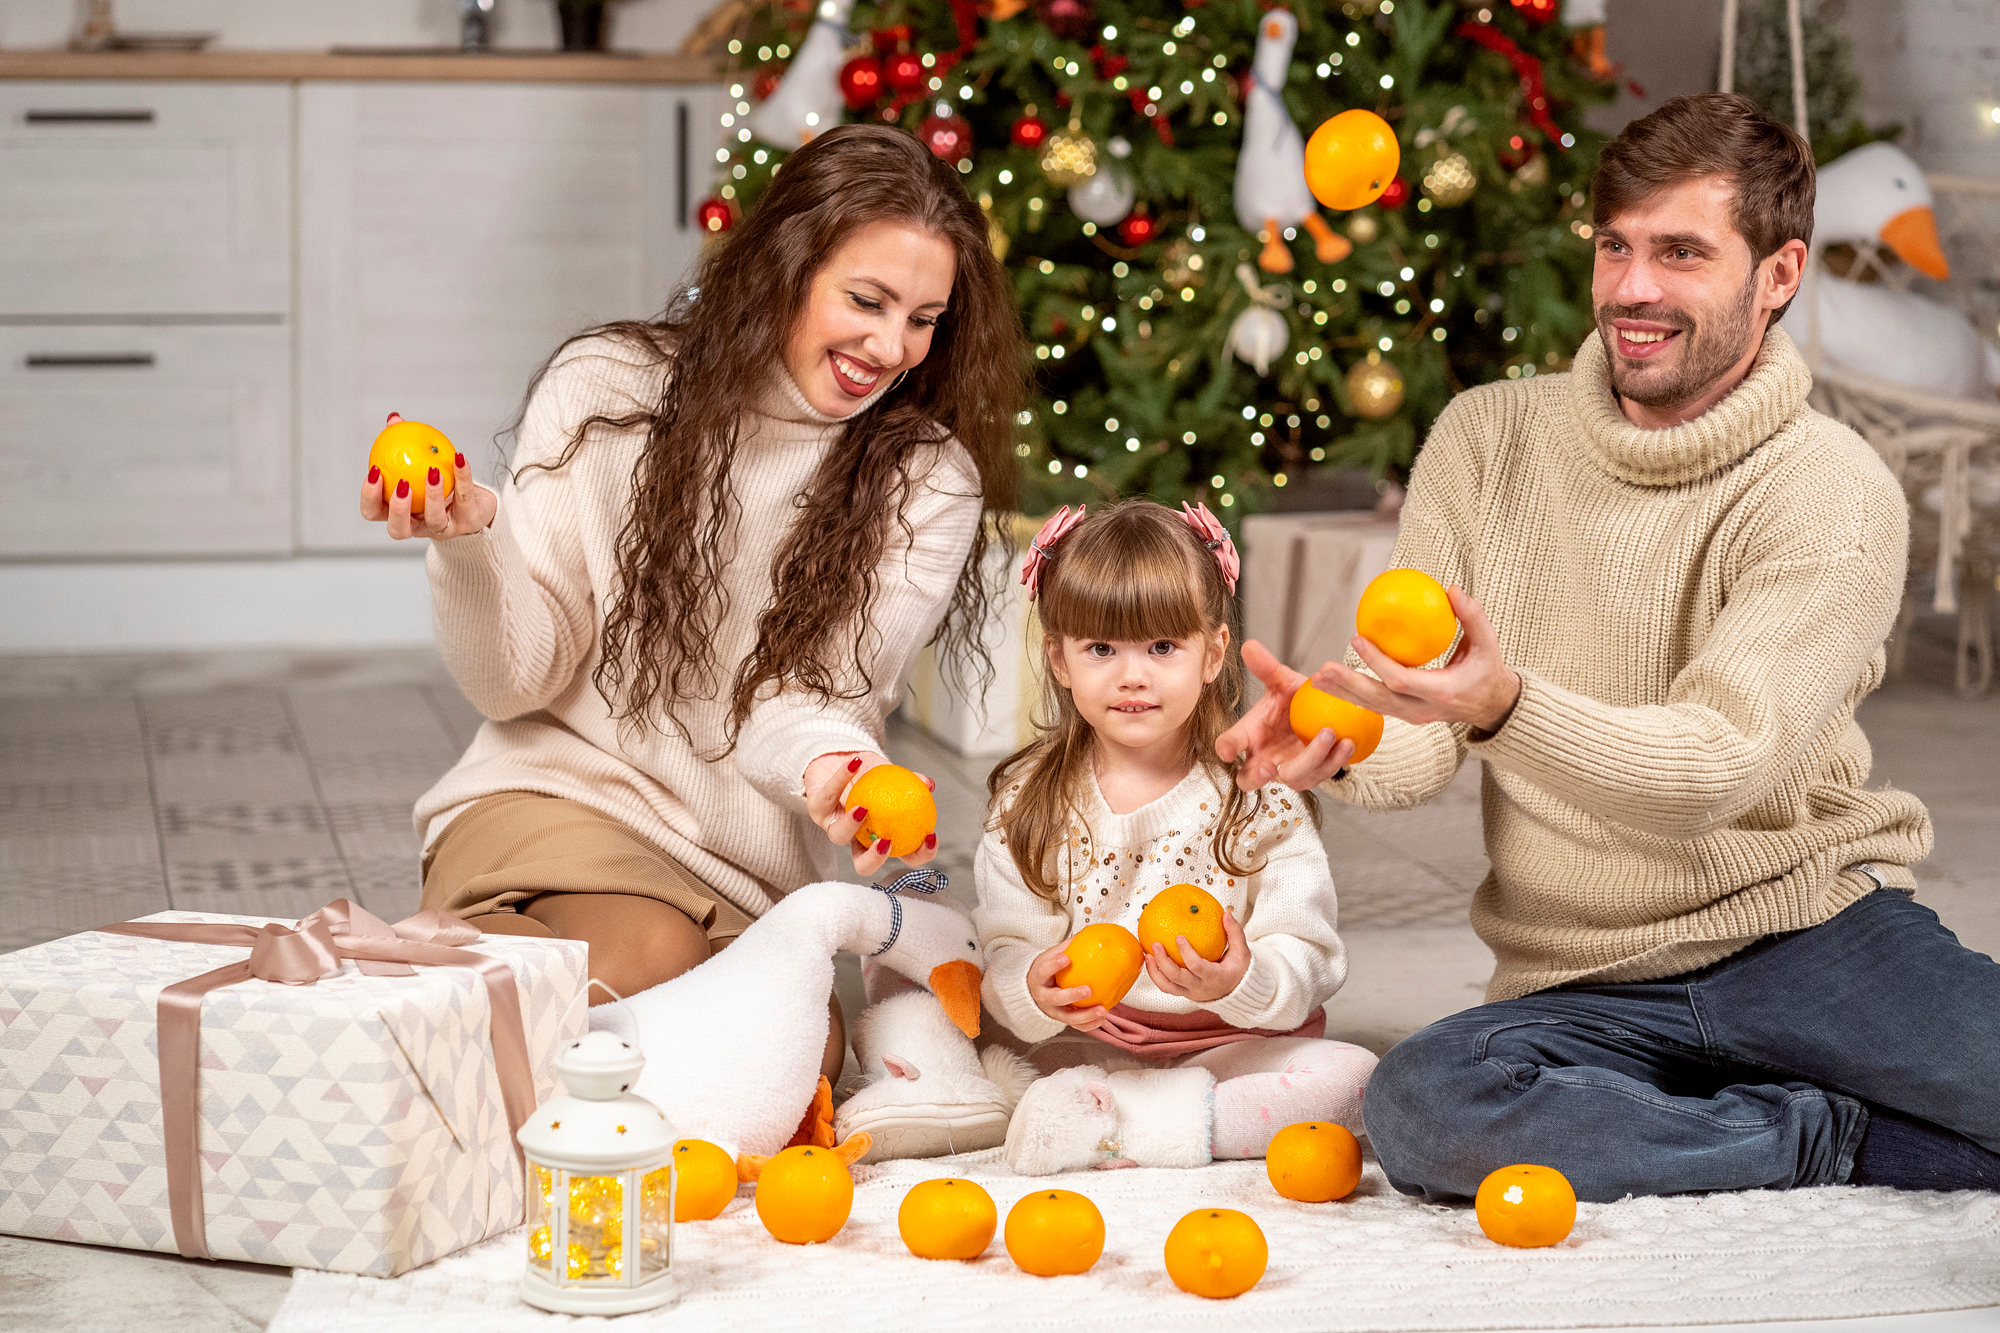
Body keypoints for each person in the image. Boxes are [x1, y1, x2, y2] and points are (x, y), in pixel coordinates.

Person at [1219, 93, 2000, 1200]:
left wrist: (1504, 707)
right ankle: (1813, 1131)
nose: (1631, 288)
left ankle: (1730, 1122)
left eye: (1681, 252)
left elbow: (1712, 767)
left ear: (1778, 273)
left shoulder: (1831, 489)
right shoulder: (1485, 438)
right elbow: (1423, 737)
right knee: (1426, 1107)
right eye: (1614, 246)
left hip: (1812, 935)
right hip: (1583, 976)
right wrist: (1338, 735)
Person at [359, 125, 1025, 1082]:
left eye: (924, 319)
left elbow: (808, 700)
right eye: (866, 301)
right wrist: (469, 543)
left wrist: (836, 769)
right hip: (560, 800)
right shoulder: (610, 388)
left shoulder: (926, 480)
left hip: (743, 868)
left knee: (796, 1061)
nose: (891, 349)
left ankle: (467, 1026)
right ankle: (393, 1035)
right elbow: (515, 681)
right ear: (786, 265)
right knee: (650, 957)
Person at [974, 501, 1377, 1172]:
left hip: (1230, 1043)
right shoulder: (1029, 800)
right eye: (1101, 649)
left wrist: (1244, 979)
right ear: (1059, 659)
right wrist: (1033, 988)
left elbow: (1309, 955)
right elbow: (1008, 945)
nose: (1132, 675)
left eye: (1162, 647)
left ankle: (1133, 1125)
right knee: (960, 1020)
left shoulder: (1261, 797)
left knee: (1354, 1078)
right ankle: (1142, 1110)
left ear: (1212, 653)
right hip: (1088, 1038)